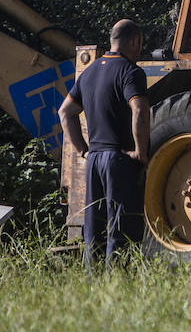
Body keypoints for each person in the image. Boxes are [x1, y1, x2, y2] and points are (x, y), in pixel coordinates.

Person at [58, 19, 150, 267]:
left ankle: (93, 288)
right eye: (140, 44)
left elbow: (65, 112)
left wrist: (82, 151)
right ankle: (117, 287)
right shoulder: (131, 72)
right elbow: (139, 109)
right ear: (133, 41)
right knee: (121, 228)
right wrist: (141, 152)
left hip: (94, 160)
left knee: (94, 231)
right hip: (119, 160)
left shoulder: (89, 72)